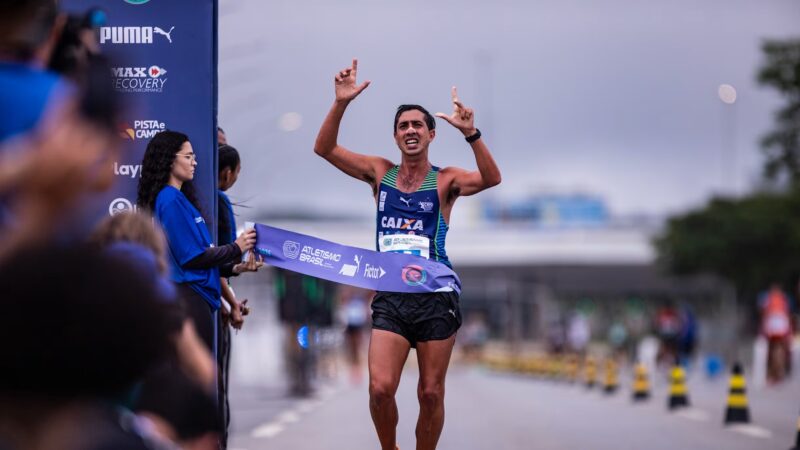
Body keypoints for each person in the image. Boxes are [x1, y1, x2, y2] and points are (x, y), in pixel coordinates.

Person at [313, 59, 501, 450]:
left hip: (435, 297)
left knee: (430, 393)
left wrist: (472, 134)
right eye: (403, 126)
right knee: (380, 389)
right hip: (391, 298)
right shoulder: (379, 173)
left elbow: (491, 178)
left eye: (418, 125)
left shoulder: (446, 179)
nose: (411, 131)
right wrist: (341, 103)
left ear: (431, 134)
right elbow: (324, 148)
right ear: (396, 137)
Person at [136, 130, 258, 351]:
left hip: (197, 299)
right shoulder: (170, 199)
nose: (195, 162)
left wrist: (238, 267)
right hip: (190, 299)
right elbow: (192, 256)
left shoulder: (179, 198)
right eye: (188, 156)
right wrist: (236, 247)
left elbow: (204, 255)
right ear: (170, 160)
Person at [759, 284, 793, 384]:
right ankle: (779, 372)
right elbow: (788, 313)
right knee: (780, 348)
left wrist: (763, 327)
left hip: (773, 321)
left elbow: (764, 312)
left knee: (773, 348)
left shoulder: (768, 299)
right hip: (781, 322)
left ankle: (774, 374)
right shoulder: (784, 299)